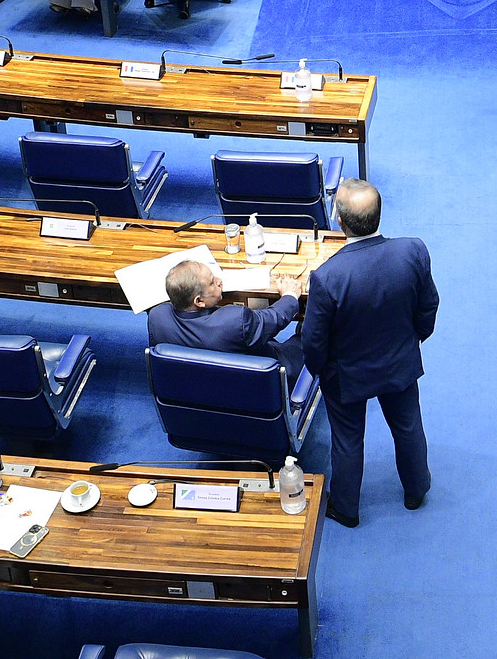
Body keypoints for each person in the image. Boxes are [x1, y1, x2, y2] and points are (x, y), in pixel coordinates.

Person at [301, 179, 437, 527]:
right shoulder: (413, 250)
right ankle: (416, 490)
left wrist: (324, 372)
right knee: (408, 428)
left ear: (340, 222)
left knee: (347, 441)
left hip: (346, 375)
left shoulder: (327, 277)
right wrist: (411, 342)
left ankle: (346, 509)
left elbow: (313, 343)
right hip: (399, 362)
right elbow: (428, 305)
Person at [147, 258, 306, 380]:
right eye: (212, 283)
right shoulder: (234, 321)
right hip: (262, 382)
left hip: (198, 388)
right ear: (199, 301)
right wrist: (290, 295)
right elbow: (273, 319)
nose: (219, 281)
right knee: (307, 339)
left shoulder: (156, 317)